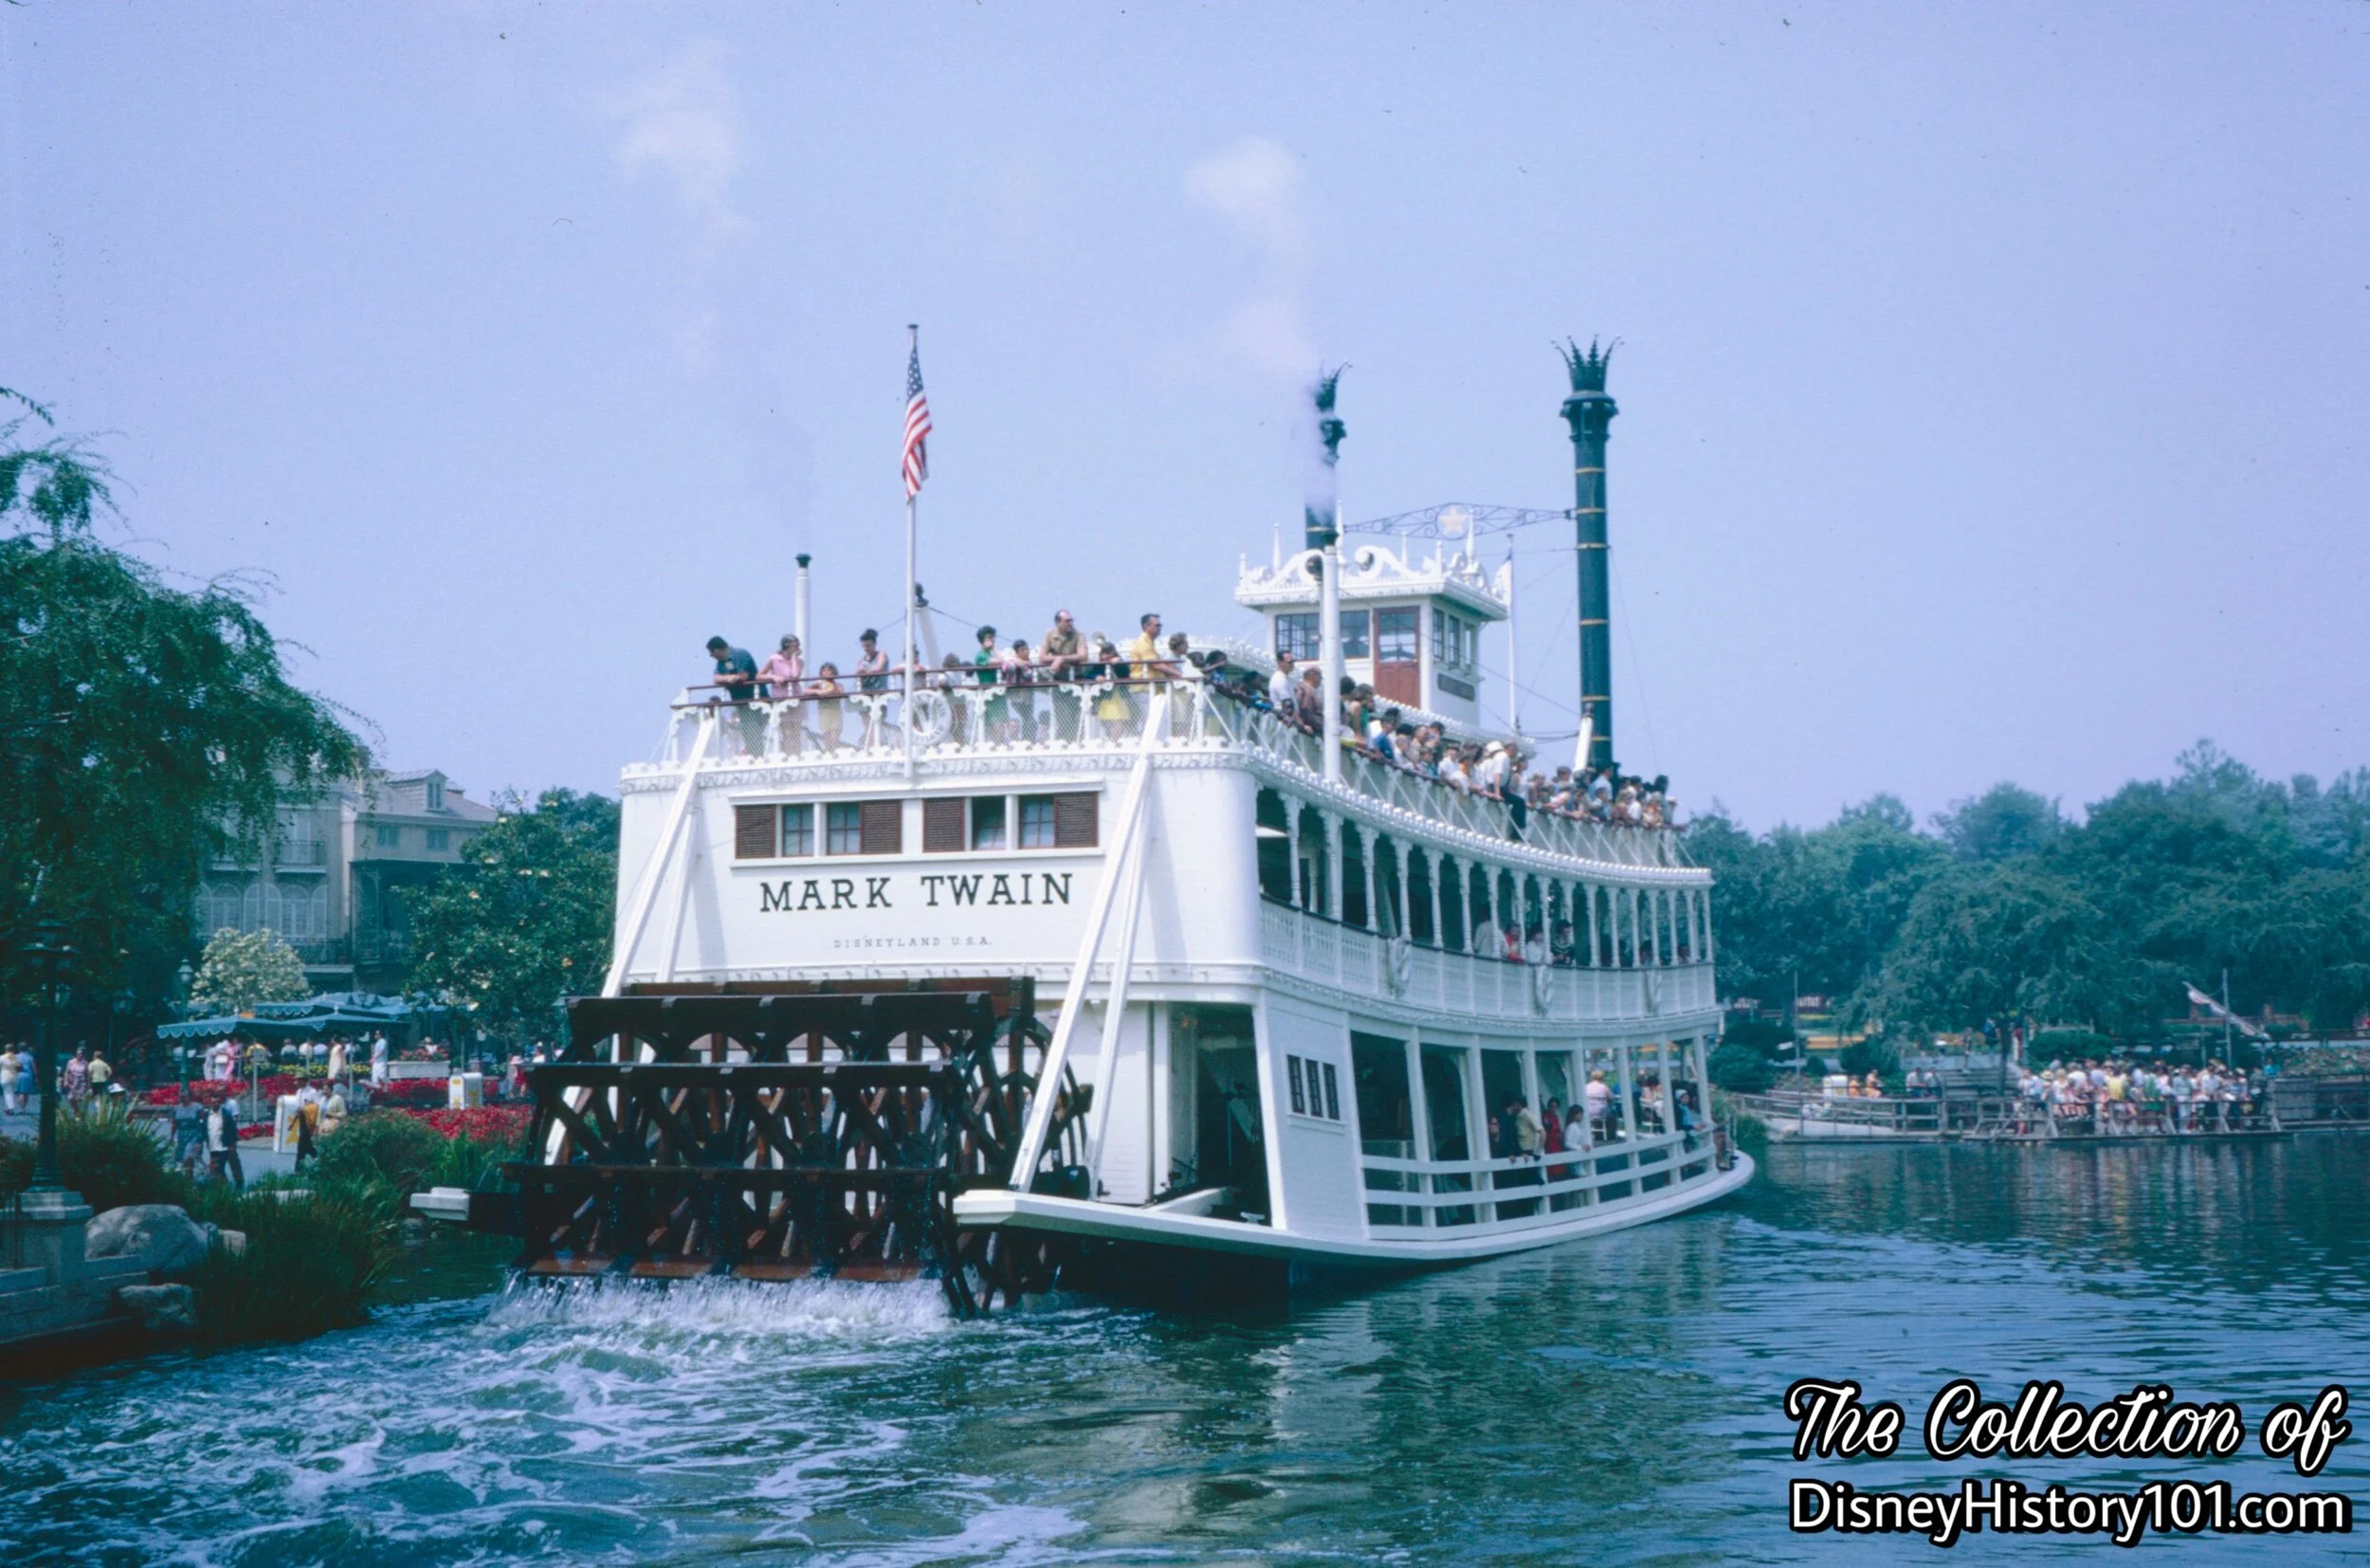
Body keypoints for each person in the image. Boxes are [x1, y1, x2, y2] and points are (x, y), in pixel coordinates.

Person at [705, 635, 764, 751]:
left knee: (752, 732)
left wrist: (732, 678)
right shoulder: (722, 662)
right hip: (740, 702)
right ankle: (753, 755)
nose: (711, 656)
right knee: (748, 732)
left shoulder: (740, 654)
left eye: (711, 652)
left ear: (717, 650)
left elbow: (743, 676)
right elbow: (716, 678)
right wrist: (728, 678)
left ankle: (756, 758)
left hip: (755, 701)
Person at [757, 634, 806, 753]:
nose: (798, 648)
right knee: (787, 731)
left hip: (796, 698)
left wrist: (794, 657)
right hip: (780, 698)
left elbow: (794, 675)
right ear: (787, 646)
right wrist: (773, 677)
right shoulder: (774, 659)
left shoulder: (799, 661)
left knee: (796, 731)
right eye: (795, 645)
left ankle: (796, 755)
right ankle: (787, 753)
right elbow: (759, 676)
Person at [810, 662, 846, 752]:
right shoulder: (819, 684)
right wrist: (817, 692)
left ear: (834, 672)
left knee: (835, 734)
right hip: (824, 711)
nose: (826, 672)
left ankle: (834, 751)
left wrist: (831, 689)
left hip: (835, 711)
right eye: (824, 670)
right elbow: (806, 691)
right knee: (826, 733)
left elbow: (842, 692)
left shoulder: (838, 685)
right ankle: (828, 751)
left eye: (829, 670)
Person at [854, 629, 890, 694]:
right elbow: (858, 678)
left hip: (880, 691)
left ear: (875, 644)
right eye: (864, 646)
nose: (866, 648)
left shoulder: (881, 655)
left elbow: (878, 668)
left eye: (868, 645)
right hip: (865, 692)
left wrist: (865, 671)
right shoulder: (861, 661)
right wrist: (859, 673)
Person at [64, 1048, 90, 1113]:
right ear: (76, 1054)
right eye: (78, 1053)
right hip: (72, 1083)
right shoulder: (71, 1062)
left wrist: (88, 1084)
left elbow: (87, 1074)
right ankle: (77, 1111)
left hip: (81, 1083)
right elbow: (67, 1072)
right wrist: (65, 1081)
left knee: (78, 1099)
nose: (80, 1055)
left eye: (81, 1054)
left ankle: (77, 1114)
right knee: (70, 1098)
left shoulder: (85, 1063)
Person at [1, 1043, 19, 1115]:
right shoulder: (15, 1057)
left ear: (6, 1049)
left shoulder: (2, 1057)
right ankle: (9, 1107)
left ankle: (11, 1108)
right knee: (11, 1092)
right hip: (14, 1077)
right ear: (13, 1049)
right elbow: (18, 1067)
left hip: (5, 1077)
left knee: (8, 1093)